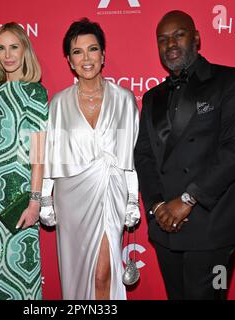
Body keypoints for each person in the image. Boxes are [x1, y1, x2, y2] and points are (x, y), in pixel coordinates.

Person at [134, 10, 235, 300]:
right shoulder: (153, 97)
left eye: (178, 34)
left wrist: (189, 199)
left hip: (212, 226)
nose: (171, 44)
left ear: (196, 38)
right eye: (163, 39)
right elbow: (143, 156)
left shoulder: (232, 81)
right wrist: (157, 207)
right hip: (166, 227)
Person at [40, 18, 140, 300]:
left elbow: (128, 155)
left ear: (103, 55)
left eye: (92, 49)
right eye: (78, 51)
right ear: (69, 60)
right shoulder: (58, 102)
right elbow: (52, 153)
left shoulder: (123, 99)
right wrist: (46, 199)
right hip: (71, 198)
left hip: (110, 191)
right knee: (75, 276)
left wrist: (132, 199)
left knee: (102, 274)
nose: (86, 58)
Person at [0, 22, 48, 300]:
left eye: (14, 47)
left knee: (19, 269)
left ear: (25, 50)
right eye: (1, 48)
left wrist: (35, 200)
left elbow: (39, 154)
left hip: (18, 193)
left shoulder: (35, 92)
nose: (7, 55)